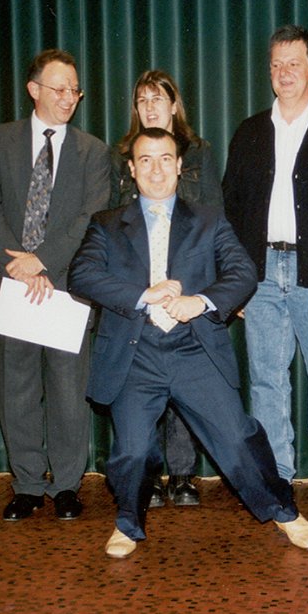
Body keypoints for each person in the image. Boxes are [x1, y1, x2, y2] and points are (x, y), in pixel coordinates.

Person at [68, 127, 308, 558]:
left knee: (237, 440)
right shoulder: (106, 224)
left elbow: (242, 272)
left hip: (194, 349)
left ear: (180, 165)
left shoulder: (209, 220)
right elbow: (82, 275)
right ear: (131, 169)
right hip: (136, 353)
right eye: (145, 160)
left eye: (165, 158)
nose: (156, 169)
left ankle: (284, 511)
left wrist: (199, 301)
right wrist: (144, 294)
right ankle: (127, 522)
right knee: (132, 451)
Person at [0, 48, 111, 521]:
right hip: (11, 284)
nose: (69, 97)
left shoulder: (93, 152)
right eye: (59, 88)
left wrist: (43, 261)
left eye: (75, 90)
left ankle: (67, 486)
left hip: (66, 287)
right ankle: (27, 485)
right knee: (17, 390)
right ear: (34, 90)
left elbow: (91, 217)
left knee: (69, 393)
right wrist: (21, 265)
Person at [223, 25, 308, 510]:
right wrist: (234, 281)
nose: (284, 73)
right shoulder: (250, 130)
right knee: (266, 378)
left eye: (294, 64)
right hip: (259, 271)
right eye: (276, 65)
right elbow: (231, 208)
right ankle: (274, 471)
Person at [108, 70, 224, 508]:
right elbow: (111, 217)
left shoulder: (199, 152)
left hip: (187, 280)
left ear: (174, 105)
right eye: (142, 100)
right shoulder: (121, 154)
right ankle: (147, 476)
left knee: (184, 382)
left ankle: (182, 474)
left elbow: (213, 212)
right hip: (137, 281)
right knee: (141, 383)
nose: (150, 107)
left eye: (158, 99)